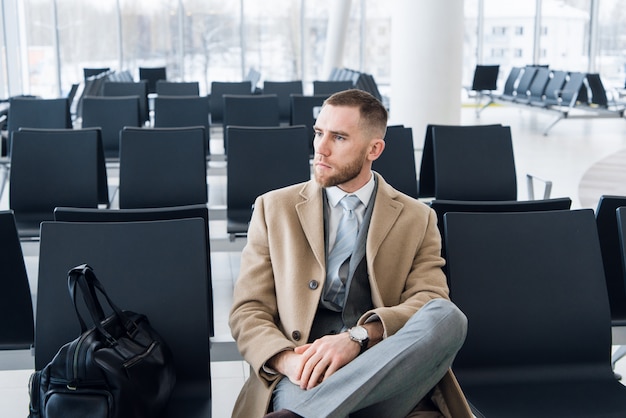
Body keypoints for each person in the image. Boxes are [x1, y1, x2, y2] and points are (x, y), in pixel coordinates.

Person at [229, 89, 470, 418]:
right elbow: (248, 310)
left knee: (448, 317)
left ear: (374, 149)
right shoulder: (274, 209)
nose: (320, 149)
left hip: (382, 360)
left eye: (339, 137)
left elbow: (428, 299)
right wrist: (290, 361)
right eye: (318, 133)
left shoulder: (417, 217)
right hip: (307, 374)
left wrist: (360, 337)